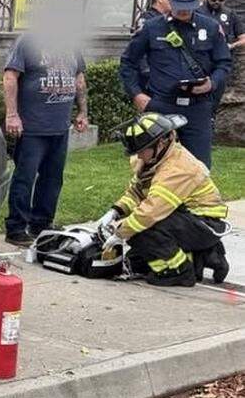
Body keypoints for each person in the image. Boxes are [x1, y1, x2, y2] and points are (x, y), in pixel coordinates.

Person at [97, 112, 229, 287]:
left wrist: (119, 233)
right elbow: (136, 193)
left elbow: (149, 213)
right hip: (189, 220)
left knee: (141, 231)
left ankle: (180, 272)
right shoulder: (155, 159)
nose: (139, 156)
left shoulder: (176, 169)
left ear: (160, 143)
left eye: (141, 150)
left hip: (204, 223)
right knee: (138, 260)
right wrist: (115, 212)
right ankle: (205, 255)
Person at [117, 0, 232, 168]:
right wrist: (136, 95)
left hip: (198, 108)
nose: (184, 11)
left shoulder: (210, 28)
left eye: (189, 6)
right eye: (179, 6)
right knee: (156, 165)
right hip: (162, 105)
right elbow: (128, 62)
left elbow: (224, 63)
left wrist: (212, 83)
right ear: (170, 1)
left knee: (199, 168)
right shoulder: (152, 28)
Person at [3, 31, 89, 247]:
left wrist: (82, 112)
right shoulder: (28, 41)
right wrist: (12, 115)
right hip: (32, 127)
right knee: (25, 178)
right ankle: (16, 228)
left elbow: (79, 78)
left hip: (60, 127)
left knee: (53, 179)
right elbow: (10, 76)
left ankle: (41, 224)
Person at [196, 0, 244, 109]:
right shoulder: (197, 13)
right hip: (202, 60)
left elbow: (243, 38)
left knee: (217, 94)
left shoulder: (230, 14)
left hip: (222, 62)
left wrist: (231, 46)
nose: (217, 1)